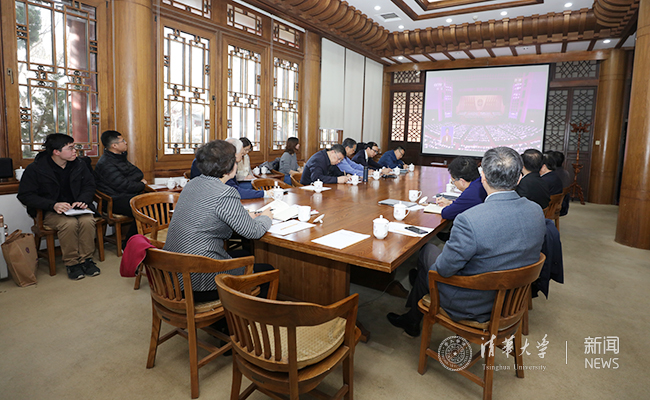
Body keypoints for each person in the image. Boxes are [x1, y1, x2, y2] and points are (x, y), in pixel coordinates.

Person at [387, 146, 546, 337]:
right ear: (519, 178)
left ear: (483, 177)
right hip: (513, 299)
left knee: (428, 253)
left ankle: (414, 315)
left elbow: (444, 270)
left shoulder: (470, 219)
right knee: (427, 264)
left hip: (473, 303)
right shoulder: (536, 211)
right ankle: (416, 301)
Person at [164, 140, 274, 302]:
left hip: (172, 271)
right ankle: (243, 315)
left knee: (245, 254)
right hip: (196, 279)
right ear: (230, 166)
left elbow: (209, 212)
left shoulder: (192, 184)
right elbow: (254, 232)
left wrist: (244, 216)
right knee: (268, 271)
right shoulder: (225, 192)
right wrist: (266, 216)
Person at [17, 133, 100, 280]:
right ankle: (72, 263)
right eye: (70, 148)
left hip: (76, 208)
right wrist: (53, 205)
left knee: (88, 221)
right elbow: (25, 195)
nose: (75, 151)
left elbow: (89, 185)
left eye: (74, 147)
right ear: (56, 152)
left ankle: (86, 260)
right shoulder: (36, 169)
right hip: (49, 211)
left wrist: (83, 200)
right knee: (69, 224)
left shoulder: (79, 165)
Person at [94, 130, 147, 243]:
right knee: (145, 209)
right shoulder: (106, 163)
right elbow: (124, 185)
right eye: (123, 141)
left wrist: (128, 180)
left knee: (157, 204)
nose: (126, 142)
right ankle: (129, 244)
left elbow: (138, 173)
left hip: (126, 195)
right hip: (113, 201)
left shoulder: (120, 157)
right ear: (114, 145)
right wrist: (141, 184)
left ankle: (144, 240)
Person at [191, 138, 270, 199]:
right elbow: (232, 191)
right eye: (241, 153)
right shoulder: (220, 165)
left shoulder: (222, 162)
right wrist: (265, 193)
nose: (243, 155)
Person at [435, 156, 487, 221]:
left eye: (453, 181)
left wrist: (450, 206)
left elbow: (446, 213)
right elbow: (467, 204)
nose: (454, 184)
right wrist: (450, 203)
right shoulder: (481, 182)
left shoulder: (471, 193)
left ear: (462, 181)